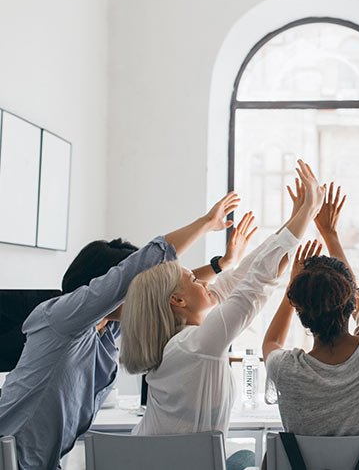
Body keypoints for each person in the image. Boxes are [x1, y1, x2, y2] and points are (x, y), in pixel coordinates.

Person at [0, 192, 242, 470]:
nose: (145, 292)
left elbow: (173, 289)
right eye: (135, 285)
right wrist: (206, 222)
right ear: (108, 289)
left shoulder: (108, 330)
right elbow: (145, 271)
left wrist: (219, 266)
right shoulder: (61, 319)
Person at [119, 161, 324, 449]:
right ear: (178, 301)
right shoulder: (194, 346)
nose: (206, 282)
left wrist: (299, 218)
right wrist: (305, 213)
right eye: (194, 280)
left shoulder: (178, 346)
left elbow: (241, 278)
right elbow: (254, 285)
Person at [260, 183, 359, 441]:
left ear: (299, 309)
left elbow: (271, 342)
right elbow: (355, 291)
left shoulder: (286, 369)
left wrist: (293, 285)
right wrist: (330, 234)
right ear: (350, 299)